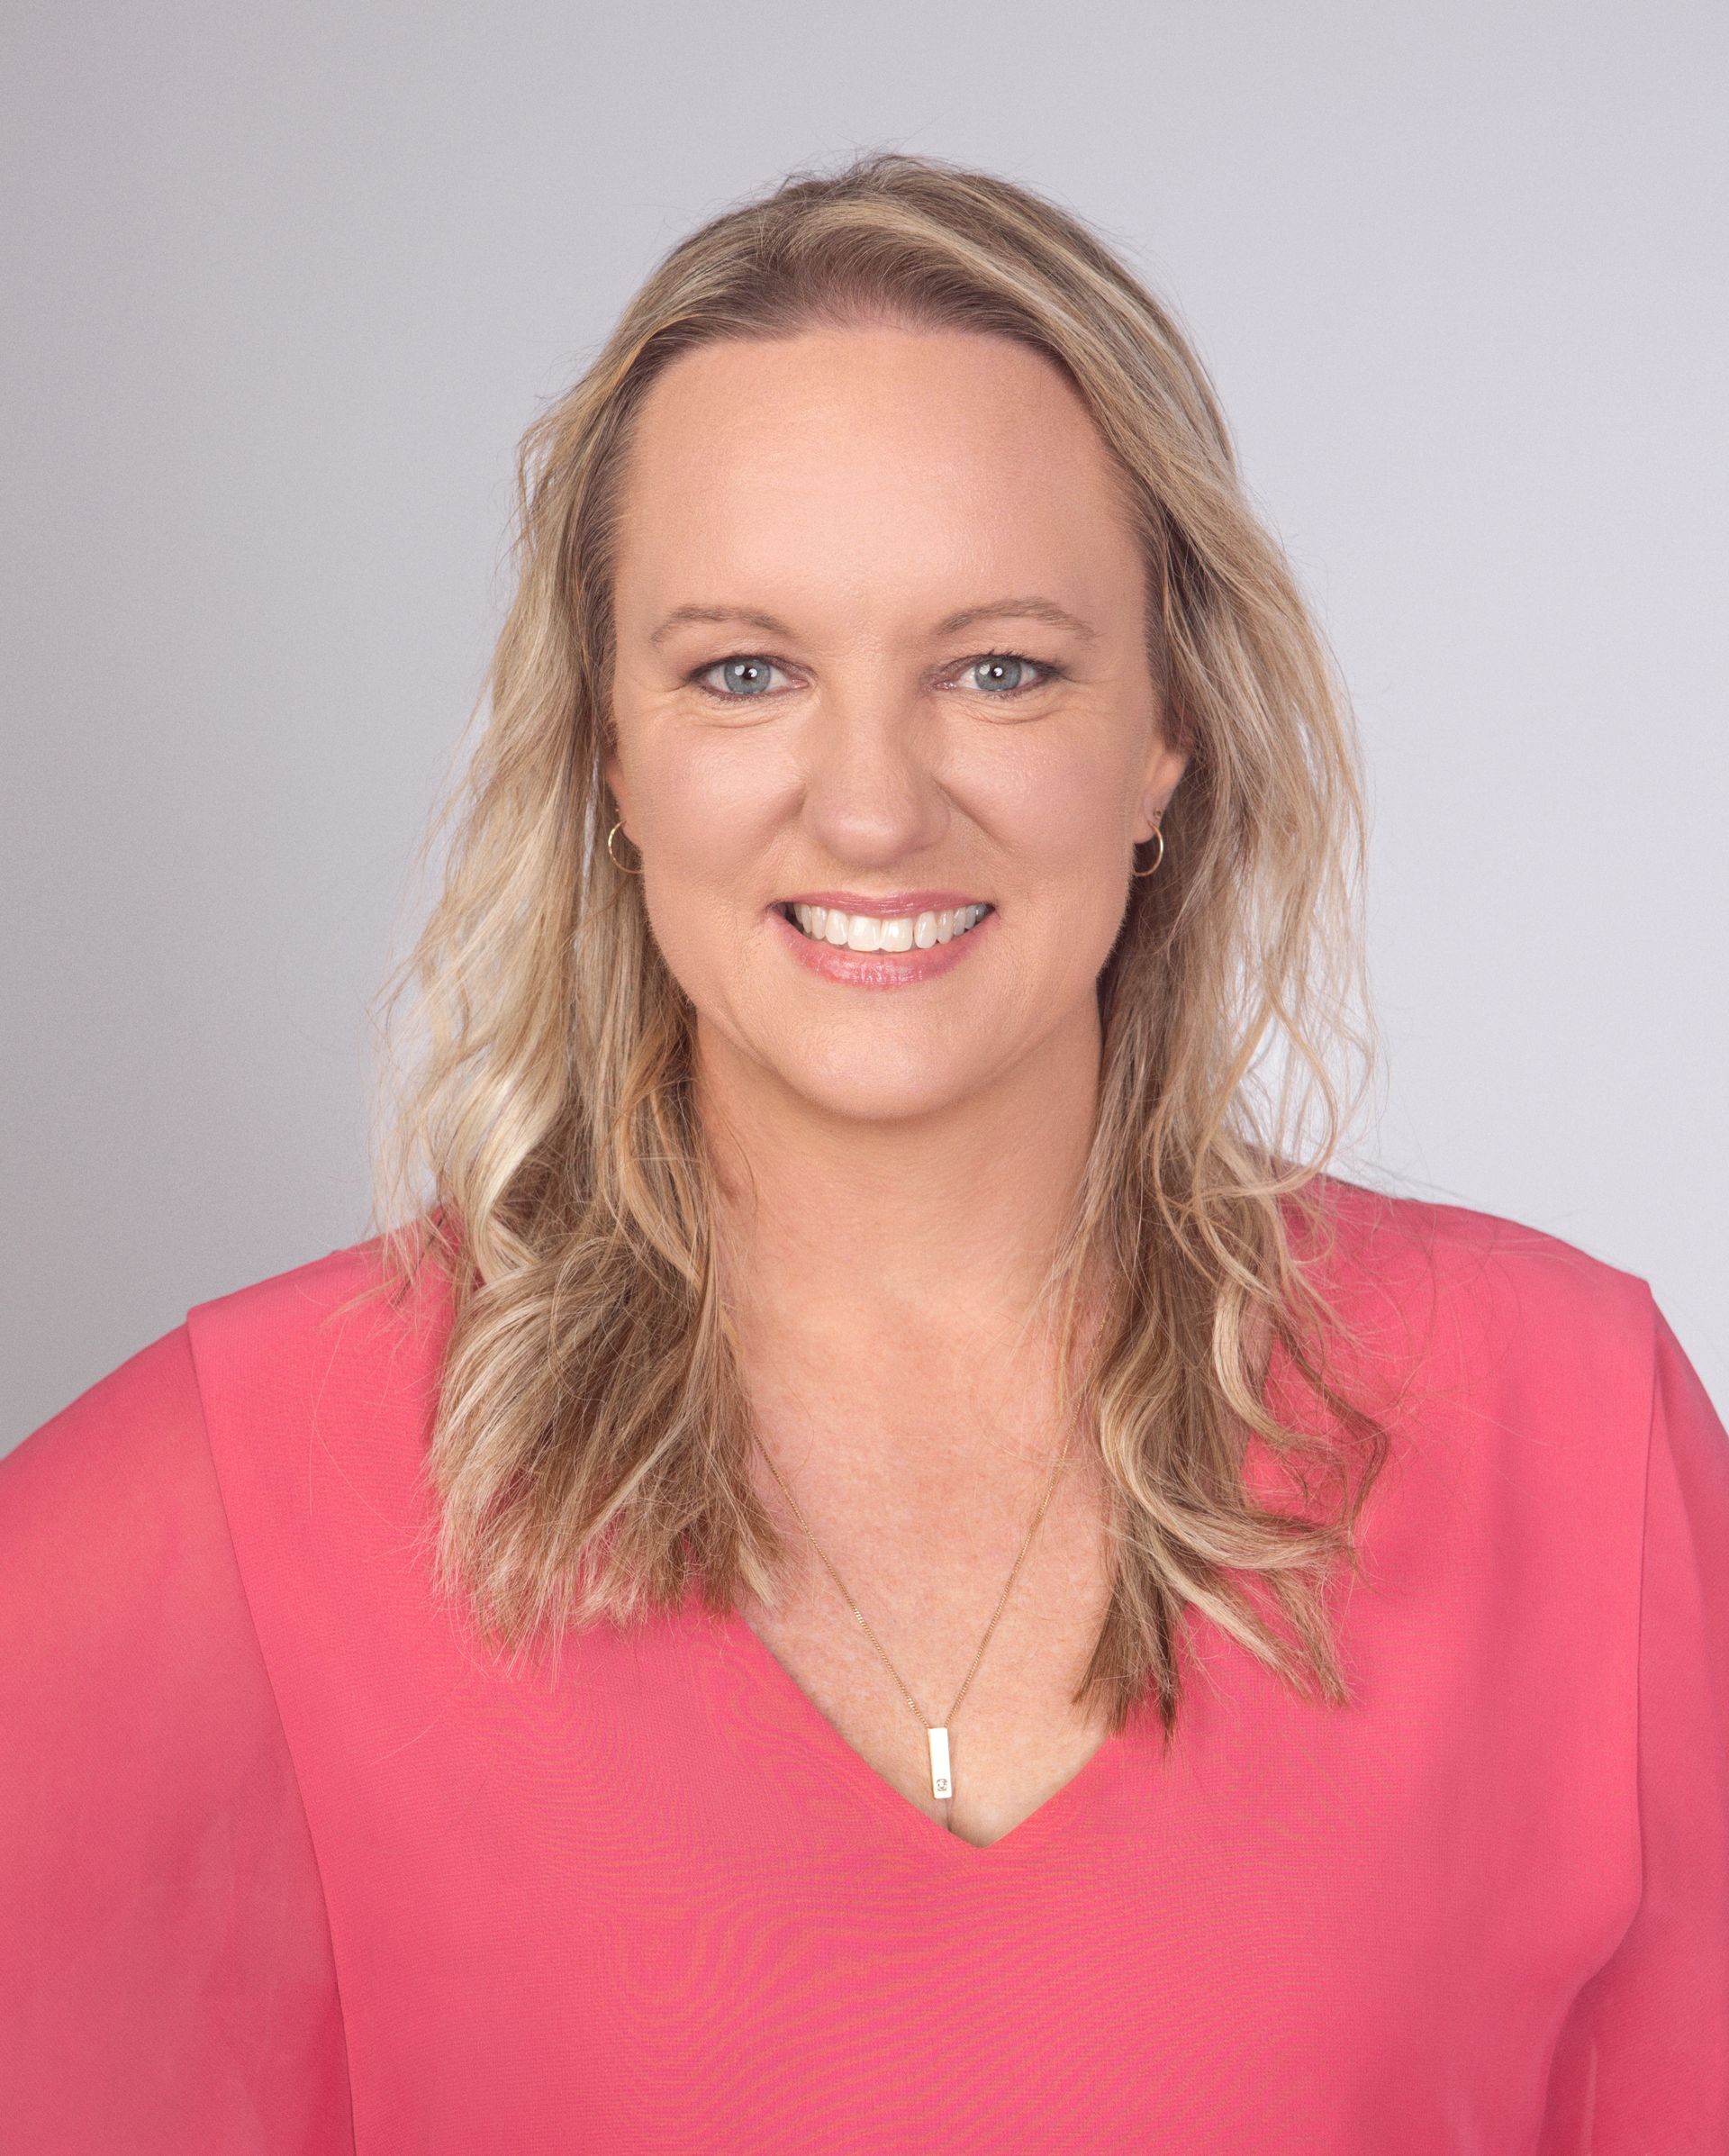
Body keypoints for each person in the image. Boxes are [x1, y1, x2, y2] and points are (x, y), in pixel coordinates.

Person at [2, 149, 1724, 2154]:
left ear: (1167, 727)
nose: (875, 808)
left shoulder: (1573, 1436)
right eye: (746, 672)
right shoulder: (230, 1495)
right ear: (612, 755)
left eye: (1000, 667)